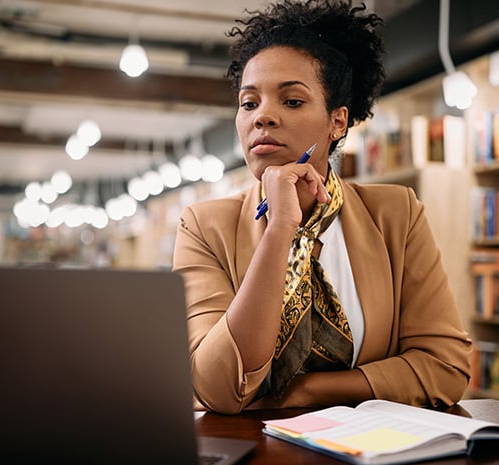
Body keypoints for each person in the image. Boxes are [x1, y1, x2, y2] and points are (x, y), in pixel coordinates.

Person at [172, 0, 472, 415]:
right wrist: (280, 231)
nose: (263, 117)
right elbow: (219, 387)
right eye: (249, 103)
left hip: (372, 449)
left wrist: (310, 391)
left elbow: (445, 366)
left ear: (337, 122)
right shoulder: (204, 226)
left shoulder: (397, 214)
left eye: (292, 101)